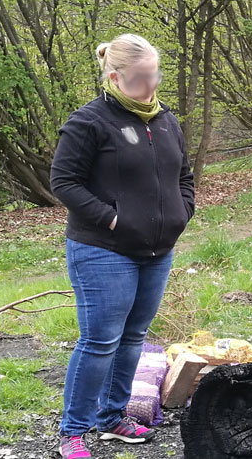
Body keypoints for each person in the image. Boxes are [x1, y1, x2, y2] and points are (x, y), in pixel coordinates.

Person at [48, 34, 194, 458]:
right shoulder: (89, 122)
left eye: (155, 75)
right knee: (99, 340)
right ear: (114, 76)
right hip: (102, 250)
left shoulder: (165, 120)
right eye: (141, 78)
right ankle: (72, 431)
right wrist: (112, 218)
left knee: (133, 336)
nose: (151, 85)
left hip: (157, 251)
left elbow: (182, 173)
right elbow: (64, 182)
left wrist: (183, 210)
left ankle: (112, 417)